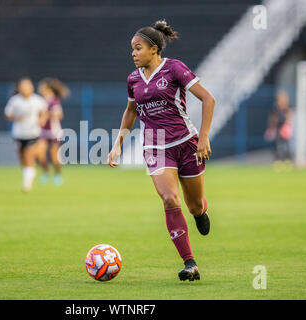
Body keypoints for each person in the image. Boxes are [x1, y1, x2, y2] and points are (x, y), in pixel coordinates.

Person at [107, 20, 216, 281]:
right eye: (132, 49)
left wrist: (203, 138)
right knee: (169, 198)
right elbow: (131, 111)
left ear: (154, 49)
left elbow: (208, 99)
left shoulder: (175, 68)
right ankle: (190, 263)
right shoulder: (133, 79)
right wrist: (117, 144)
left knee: (193, 205)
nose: (133, 53)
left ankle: (201, 211)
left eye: (138, 48)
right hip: (155, 145)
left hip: (186, 142)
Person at [4, 78, 48, 192]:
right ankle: (30, 173)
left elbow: (44, 112)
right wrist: (15, 117)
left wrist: (42, 120)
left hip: (32, 133)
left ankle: (27, 184)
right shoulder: (15, 101)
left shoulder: (37, 100)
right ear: (19, 88)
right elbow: (7, 115)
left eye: (27, 86)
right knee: (22, 159)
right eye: (23, 86)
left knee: (29, 156)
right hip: (18, 134)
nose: (25, 88)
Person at [37, 78, 70, 186]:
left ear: (47, 88)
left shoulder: (53, 101)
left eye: (42, 86)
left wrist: (47, 114)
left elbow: (59, 115)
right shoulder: (40, 101)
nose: (39, 88)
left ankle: (58, 175)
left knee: (54, 157)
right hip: (42, 132)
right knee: (40, 154)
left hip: (54, 132)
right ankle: (46, 173)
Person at [264, 90, 293, 167]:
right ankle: (278, 161)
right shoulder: (275, 108)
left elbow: (289, 117)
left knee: (286, 146)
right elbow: (272, 118)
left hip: (284, 129)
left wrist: (286, 126)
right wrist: (271, 127)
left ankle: (287, 161)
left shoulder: (286, 108)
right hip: (277, 129)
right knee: (277, 145)